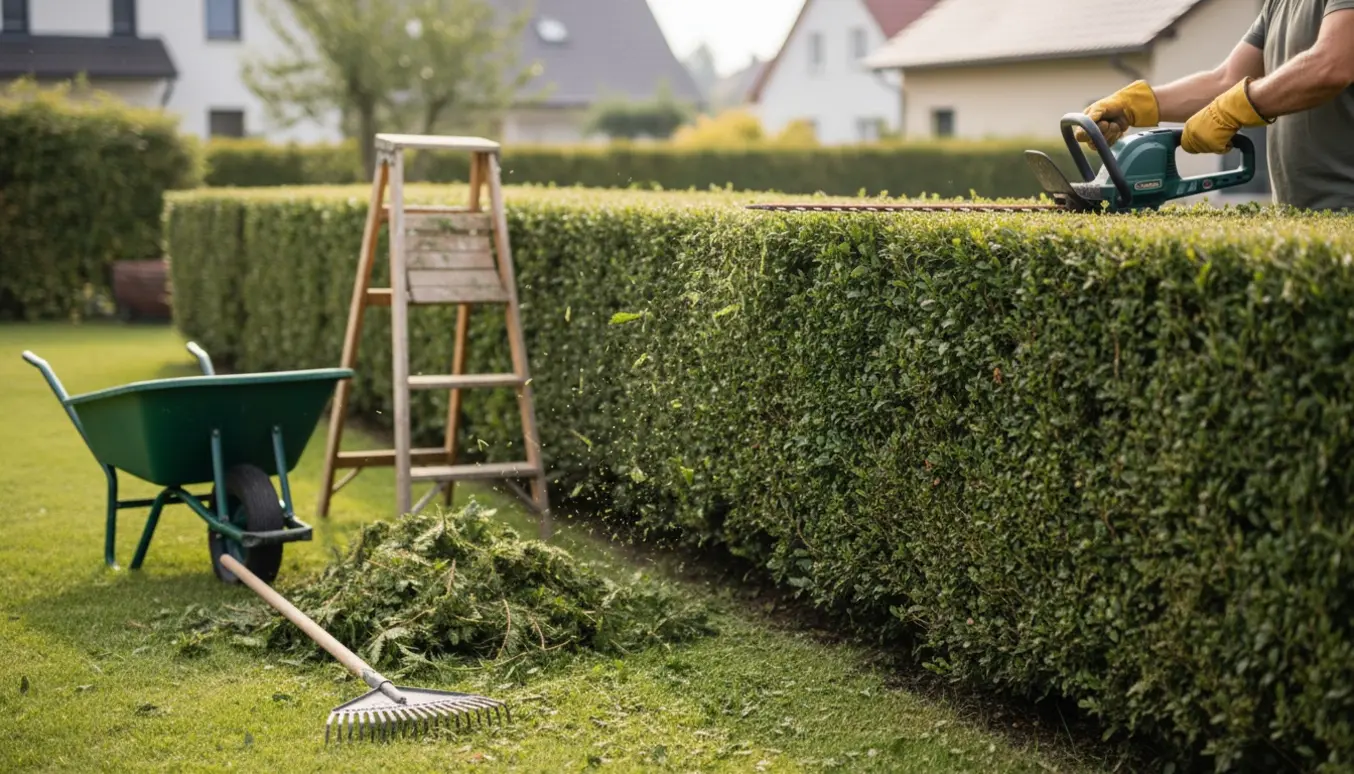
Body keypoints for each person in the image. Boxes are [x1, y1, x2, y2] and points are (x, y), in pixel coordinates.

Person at [1075, 1, 1354, 210]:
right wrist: (1133, 105)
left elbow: (1332, 64)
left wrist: (1234, 107)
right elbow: (1226, 80)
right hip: (1302, 217)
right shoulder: (1278, 4)